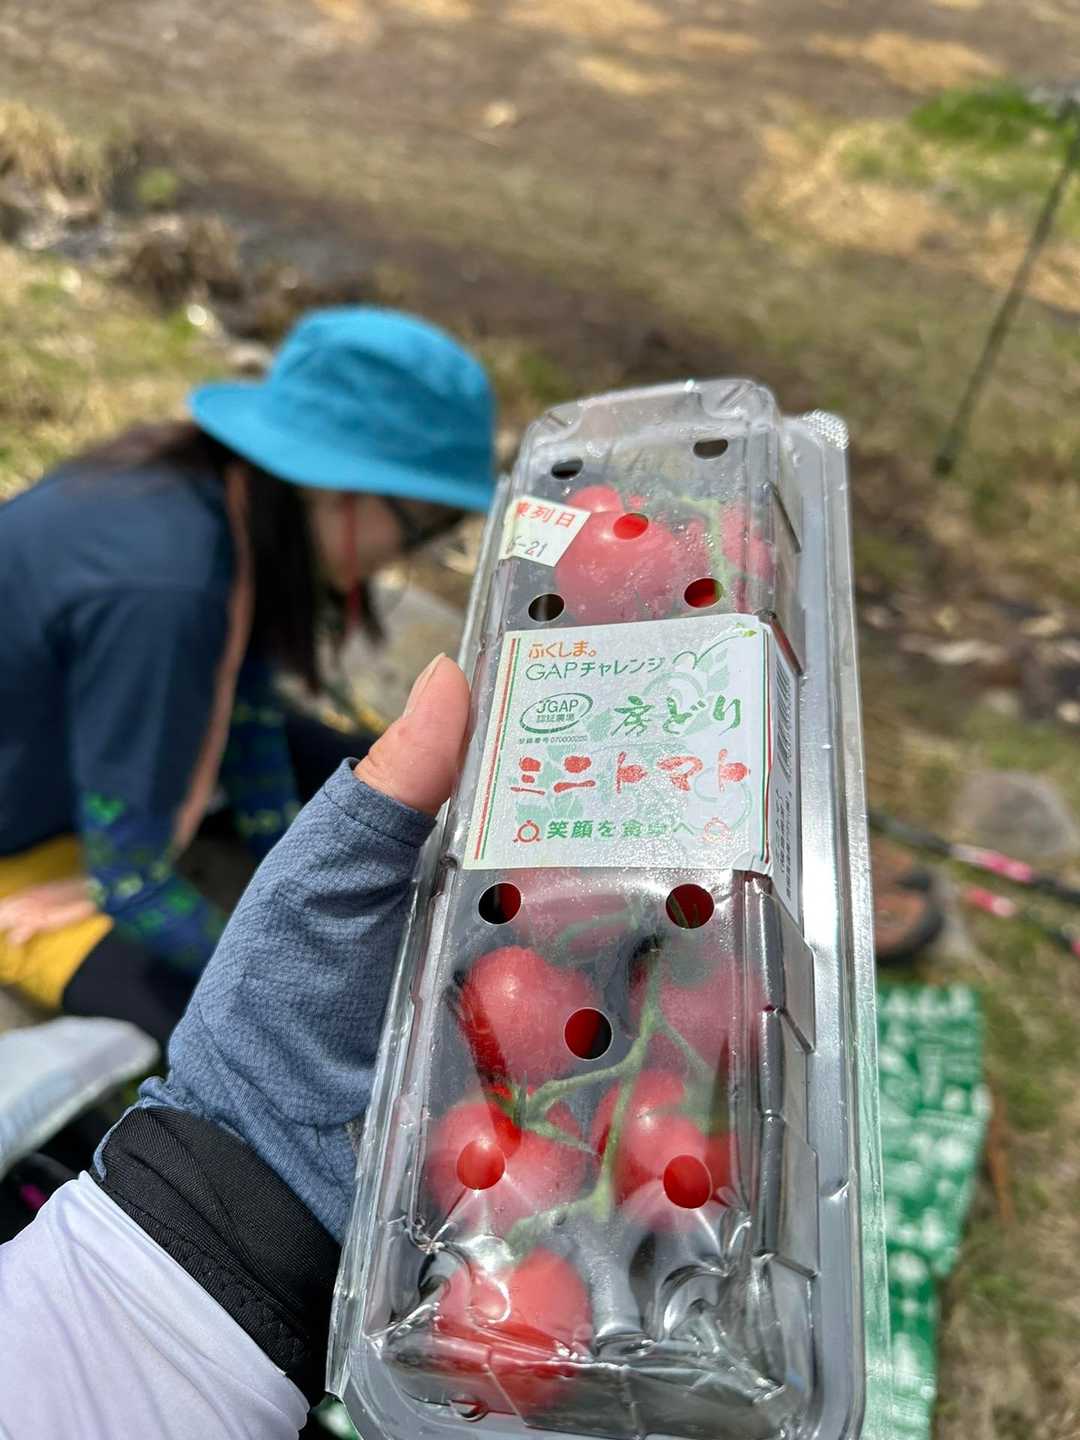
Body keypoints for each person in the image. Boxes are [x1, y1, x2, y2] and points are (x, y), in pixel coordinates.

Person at [0, 654, 471, 1436]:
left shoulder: (217, 622)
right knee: (153, 994)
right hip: (33, 901)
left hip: (233, 1268)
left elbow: (254, 750)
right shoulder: (166, 603)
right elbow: (130, 876)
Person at [0, 308, 494, 1044]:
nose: (409, 552)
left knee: (360, 771)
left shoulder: (212, 496)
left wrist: (289, 866)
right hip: (23, 828)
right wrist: (293, 971)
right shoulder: (167, 591)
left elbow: (249, 706)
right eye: (425, 524)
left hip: (90, 719)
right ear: (338, 489)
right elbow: (129, 882)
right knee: (236, 1032)